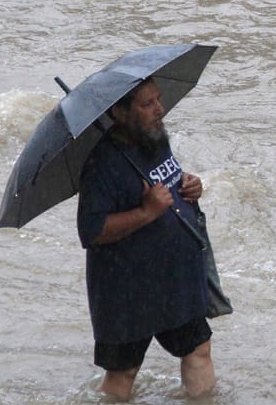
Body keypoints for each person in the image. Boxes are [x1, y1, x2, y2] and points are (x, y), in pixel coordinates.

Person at [77, 78, 215, 401]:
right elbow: (91, 230)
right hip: (126, 291)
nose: (159, 109)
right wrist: (146, 212)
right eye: (147, 104)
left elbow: (169, 181)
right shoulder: (101, 165)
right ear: (120, 112)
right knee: (123, 375)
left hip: (173, 277)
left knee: (198, 350)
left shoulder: (155, 139)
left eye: (159, 99)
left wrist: (191, 186)